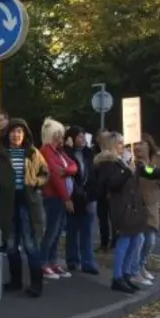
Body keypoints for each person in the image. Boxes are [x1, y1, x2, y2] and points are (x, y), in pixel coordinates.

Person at [94, 132, 160, 293]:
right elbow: (111, 184)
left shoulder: (131, 163)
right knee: (124, 240)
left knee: (136, 239)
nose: (124, 147)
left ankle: (126, 275)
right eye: (120, 144)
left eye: (124, 144)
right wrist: (127, 171)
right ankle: (117, 278)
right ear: (112, 146)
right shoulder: (108, 164)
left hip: (133, 206)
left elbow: (152, 172)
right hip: (120, 207)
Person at [0, 118, 49, 298]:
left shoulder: (33, 153)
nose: (16, 135)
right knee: (11, 244)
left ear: (25, 134)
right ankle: (16, 280)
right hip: (7, 204)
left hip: (28, 203)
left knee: (30, 244)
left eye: (20, 132)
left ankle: (36, 283)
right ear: (7, 134)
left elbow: (45, 173)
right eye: (13, 131)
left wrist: (35, 182)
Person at [127, 135, 160, 286]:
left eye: (142, 144)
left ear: (148, 145)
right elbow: (150, 172)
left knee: (149, 241)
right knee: (138, 240)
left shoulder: (156, 160)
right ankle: (134, 270)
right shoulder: (135, 162)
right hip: (136, 205)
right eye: (136, 144)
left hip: (151, 204)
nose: (138, 147)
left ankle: (141, 265)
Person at [39, 118, 78, 280]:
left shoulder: (59, 152)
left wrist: (67, 171)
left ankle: (52, 261)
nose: (61, 139)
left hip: (60, 197)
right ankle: (43, 262)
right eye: (58, 135)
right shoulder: (47, 151)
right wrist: (66, 198)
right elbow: (55, 176)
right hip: (54, 197)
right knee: (51, 231)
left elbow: (73, 166)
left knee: (57, 231)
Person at [63, 126, 99, 275]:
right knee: (71, 230)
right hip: (73, 196)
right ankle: (72, 260)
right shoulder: (66, 153)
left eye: (83, 136)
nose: (82, 139)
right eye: (79, 137)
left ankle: (87, 262)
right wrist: (68, 147)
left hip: (88, 196)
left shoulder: (89, 153)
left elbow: (93, 174)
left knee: (87, 231)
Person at [94, 130, 115, 251]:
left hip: (107, 192)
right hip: (104, 192)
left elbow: (105, 177)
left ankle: (108, 243)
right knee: (104, 219)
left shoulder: (106, 157)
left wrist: (106, 191)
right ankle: (106, 242)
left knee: (109, 219)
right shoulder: (99, 153)